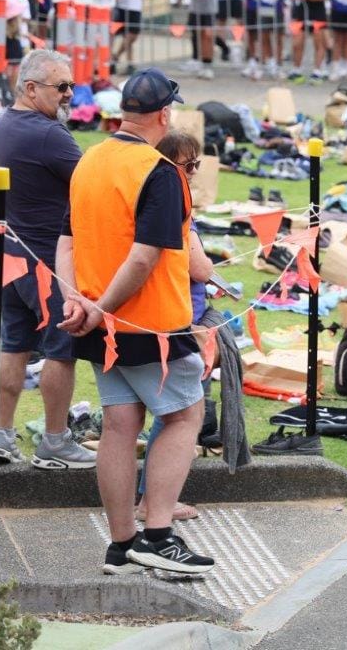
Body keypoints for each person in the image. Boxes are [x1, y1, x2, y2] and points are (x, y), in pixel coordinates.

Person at [56, 68, 214, 576]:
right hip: (149, 325)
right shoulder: (160, 169)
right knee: (185, 416)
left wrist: (75, 300)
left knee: (120, 427)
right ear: (166, 115)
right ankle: (158, 535)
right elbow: (146, 258)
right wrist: (97, 306)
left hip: (99, 323)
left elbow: (66, 242)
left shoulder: (90, 159)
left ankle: (121, 544)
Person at [0, 51, 97, 470]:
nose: (69, 95)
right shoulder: (49, 134)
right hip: (47, 261)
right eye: (61, 87)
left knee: (13, 347)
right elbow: (92, 183)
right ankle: (55, 441)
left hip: (12, 257)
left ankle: (1, 434)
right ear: (30, 88)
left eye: (71, 86)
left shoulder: (3, 124)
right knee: (60, 350)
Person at [136, 130, 213, 523]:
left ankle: (152, 502)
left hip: (164, 319)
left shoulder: (149, 198)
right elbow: (199, 266)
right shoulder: (174, 206)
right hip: (177, 323)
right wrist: (210, 268)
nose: (194, 173)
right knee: (179, 418)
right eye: (189, 166)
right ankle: (156, 506)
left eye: (197, 164)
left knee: (158, 417)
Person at [287, 0, 330, 82]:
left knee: (318, 41)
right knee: (297, 41)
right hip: (301, 10)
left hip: (317, 11)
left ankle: (317, 70)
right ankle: (297, 68)